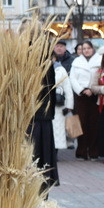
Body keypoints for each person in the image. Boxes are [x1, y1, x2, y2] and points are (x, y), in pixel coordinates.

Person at [31, 53, 66, 189]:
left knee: (31, 157)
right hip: (43, 116)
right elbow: (51, 90)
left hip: (29, 117)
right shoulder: (46, 61)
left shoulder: (17, 58)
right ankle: (42, 190)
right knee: (42, 157)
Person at [69, 40, 102, 160]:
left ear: (92, 49)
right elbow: (72, 78)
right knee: (81, 123)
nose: (86, 50)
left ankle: (94, 151)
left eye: (88, 48)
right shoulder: (76, 62)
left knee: (94, 124)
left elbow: (101, 77)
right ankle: (82, 150)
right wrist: (82, 90)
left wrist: (92, 89)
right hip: (81, 96)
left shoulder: (99, 60)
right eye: (84, 49)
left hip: (95, 95)